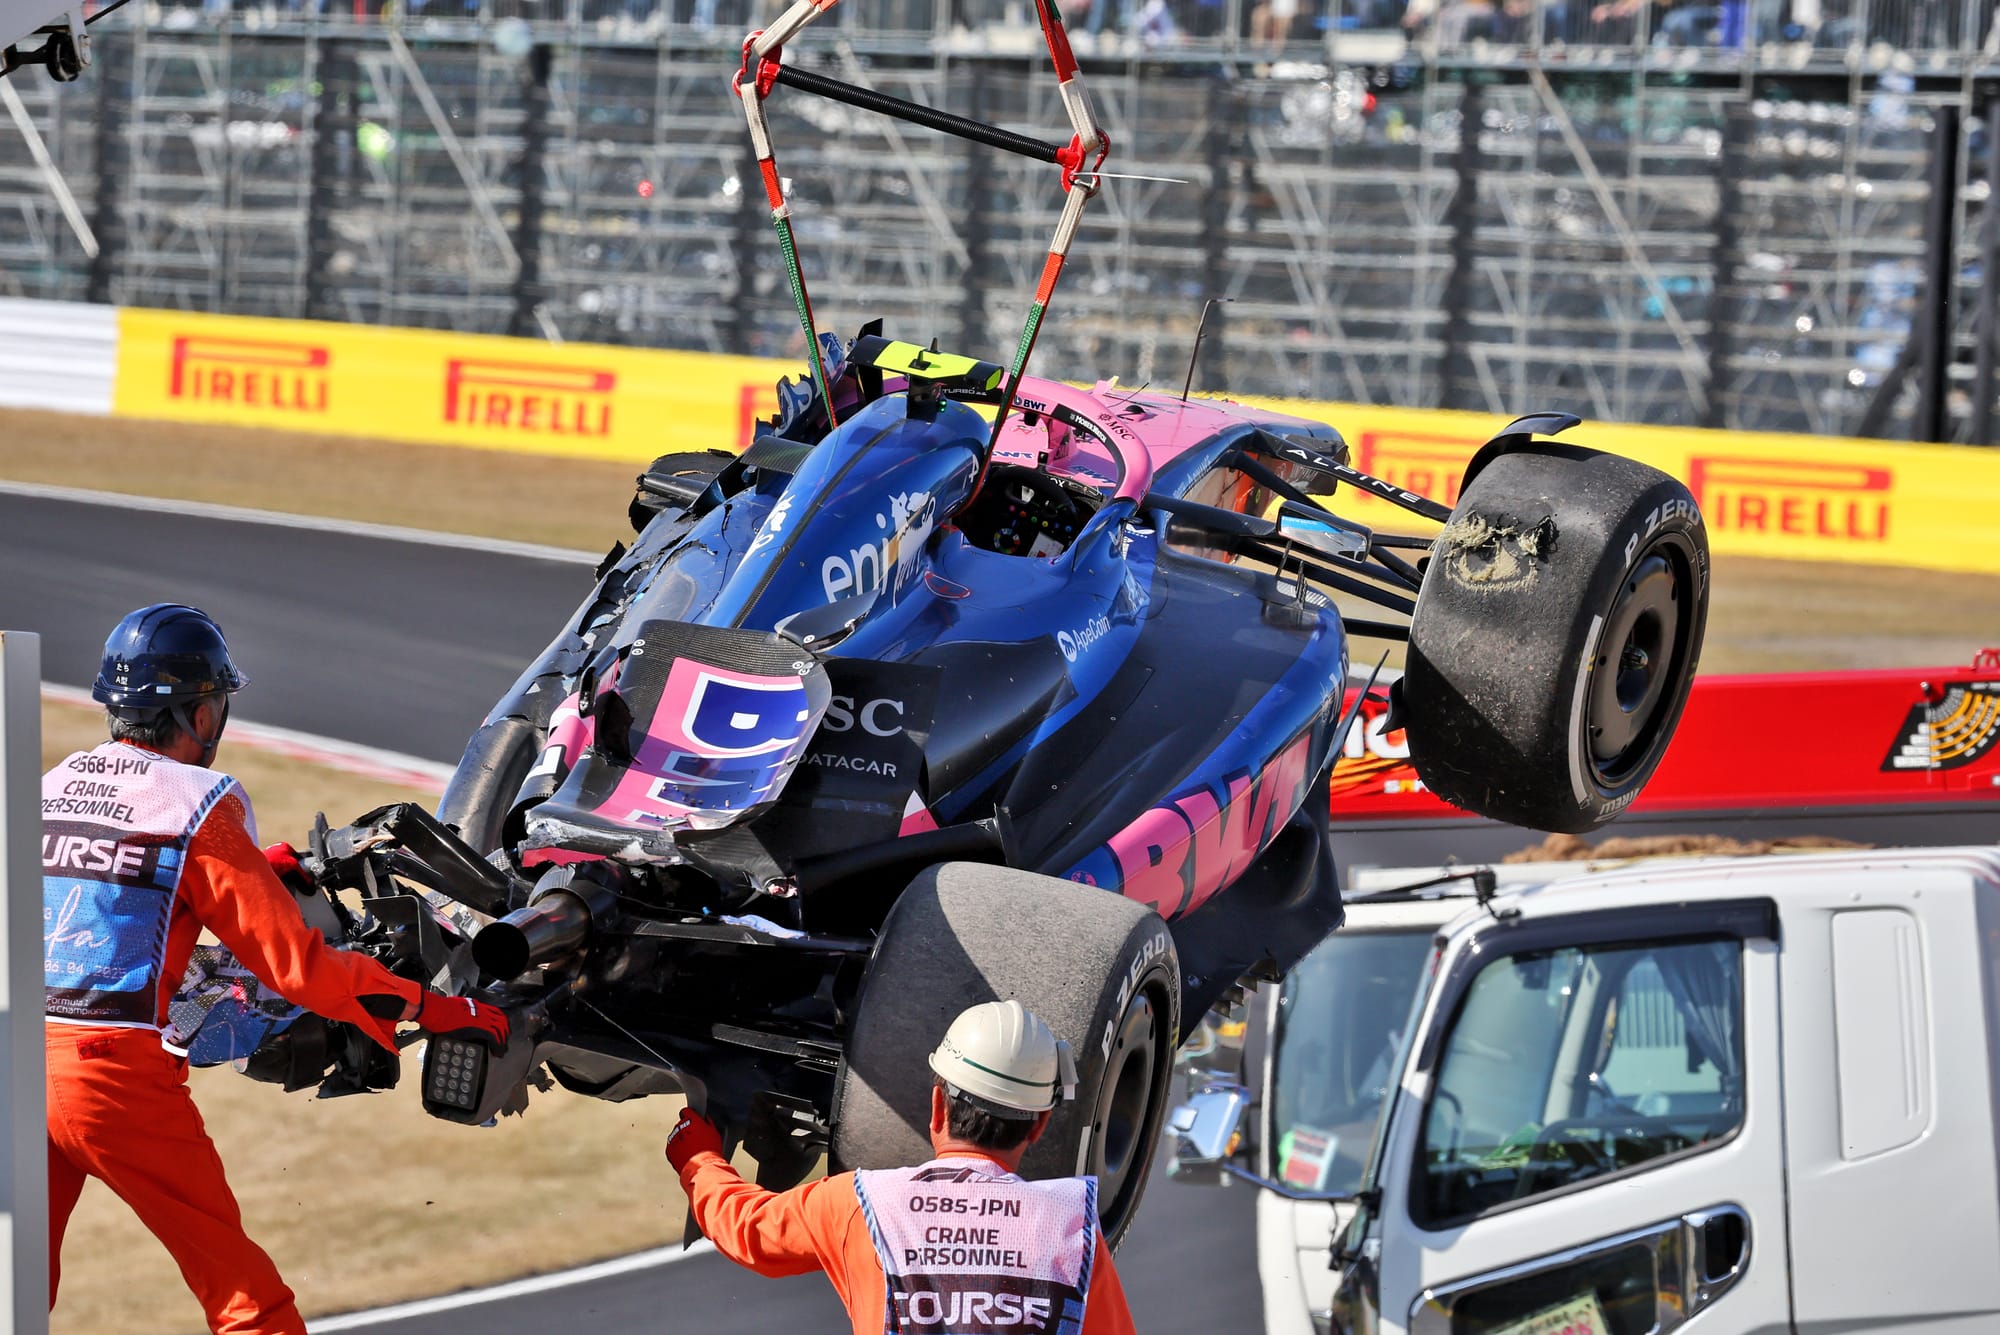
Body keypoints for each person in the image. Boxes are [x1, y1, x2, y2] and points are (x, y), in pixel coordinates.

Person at [43, 603, 512, 1334]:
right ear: (200, 714)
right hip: (111, 1080)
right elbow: (298, 970)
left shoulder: (57, 782)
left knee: (16, 1287)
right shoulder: (199, 801)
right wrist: (430, 1003)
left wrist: (256, 871)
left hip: (16, 1063)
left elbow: (115, 894)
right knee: (247, 1300)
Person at [665, 1000, 1137, 1334]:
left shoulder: (860, 1203)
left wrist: (698, 1157)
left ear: (937, 1106)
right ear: (1038, 1127)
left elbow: (750, 1230)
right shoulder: (1071, 1229)